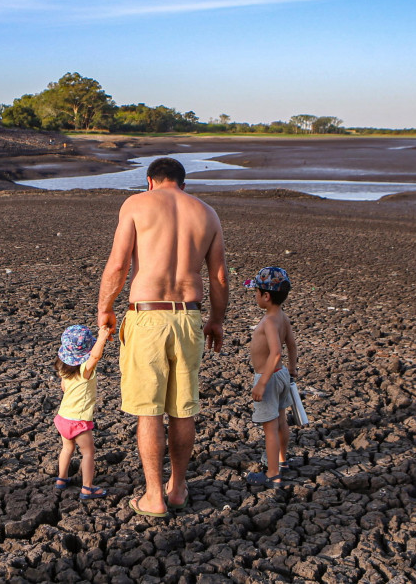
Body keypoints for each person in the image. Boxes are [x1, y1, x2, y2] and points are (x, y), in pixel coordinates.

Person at [98, 156, 228, 517]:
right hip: (189, 317)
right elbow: (218, 277)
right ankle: (178, 488)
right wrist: (217, 320)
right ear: (184, 185)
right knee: (183, 409)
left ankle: (153, 495)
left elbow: (119, 264)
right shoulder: (207, 214)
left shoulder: (137, 204)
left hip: (148, 315)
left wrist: (104, 308)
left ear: (150, 182)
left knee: (149, 411)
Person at [244, 266, 298, 487]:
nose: (255, 296)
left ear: (266, 296)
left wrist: (262, 383)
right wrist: (292, 370)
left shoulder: (268, 322)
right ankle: (283, 461)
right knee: (281, 421)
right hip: (282, 374)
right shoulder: (282, 317)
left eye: (256, 292)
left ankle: (273, 473)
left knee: (270, 428)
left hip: (269, 377)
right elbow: (292, 345)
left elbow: (276, 352)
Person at [53, 323, 112, 500]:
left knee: (67, 448)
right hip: (78, 421)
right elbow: (95, 356)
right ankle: (88, 487)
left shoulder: (63, 369)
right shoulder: (85, 370)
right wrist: (101, 338)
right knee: (88, 453)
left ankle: (61, 479)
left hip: (62, 418)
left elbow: (64, 388)